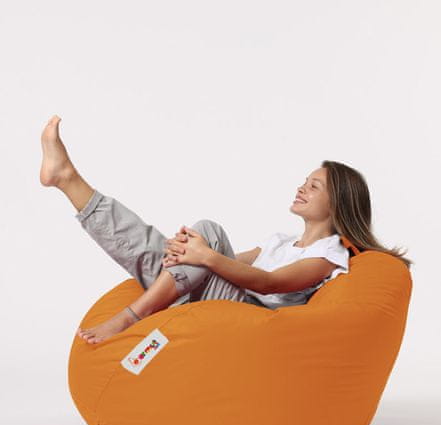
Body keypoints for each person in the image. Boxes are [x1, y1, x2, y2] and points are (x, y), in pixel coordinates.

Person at [40, 115, 412, 345]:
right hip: (220, 303)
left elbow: (269, 283)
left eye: (313, 186)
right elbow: (226, 261)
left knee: (209, 233)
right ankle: (67, 180)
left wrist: (204, 252)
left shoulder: (329, 253)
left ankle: (130, 316)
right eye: (304, 181)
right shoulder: (280, 242)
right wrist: (188, 251)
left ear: (338, 203)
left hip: (249, 318)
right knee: (171, 248)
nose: (301, 188)